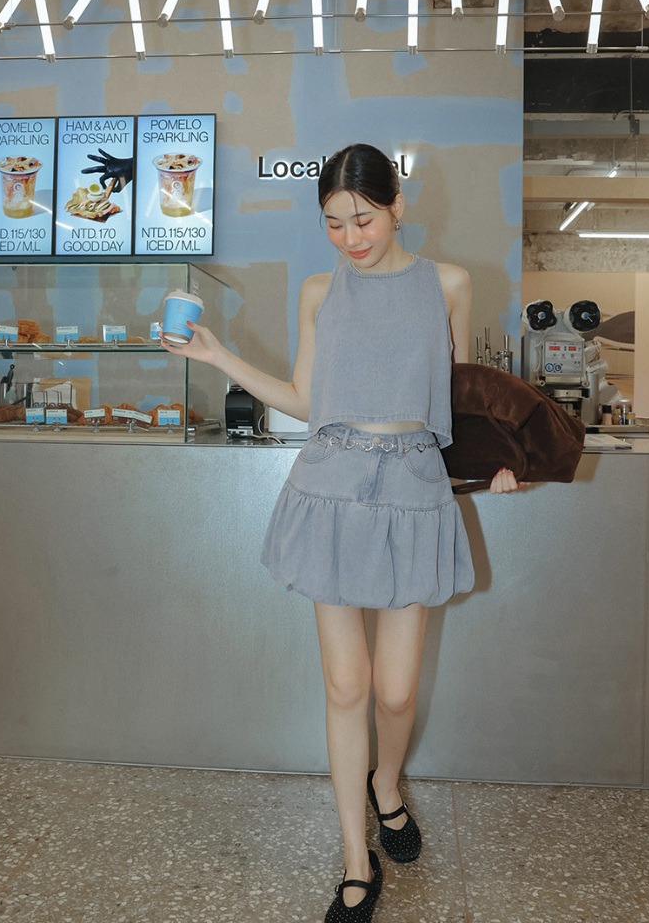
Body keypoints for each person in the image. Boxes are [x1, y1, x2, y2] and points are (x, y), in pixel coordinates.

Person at [159, 143, 523, 922]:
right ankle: (356, 859)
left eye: (364, 219)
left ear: (398, 206)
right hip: (330, 488)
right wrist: (216, 354)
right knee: (346, 686)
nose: (351, 237)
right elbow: (303, 398)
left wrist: (499, 463)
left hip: (414, 490)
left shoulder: (448, 284)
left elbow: (460, 402)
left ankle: (386, 784)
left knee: (396, 690)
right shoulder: (319, 291)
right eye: (333, 223)